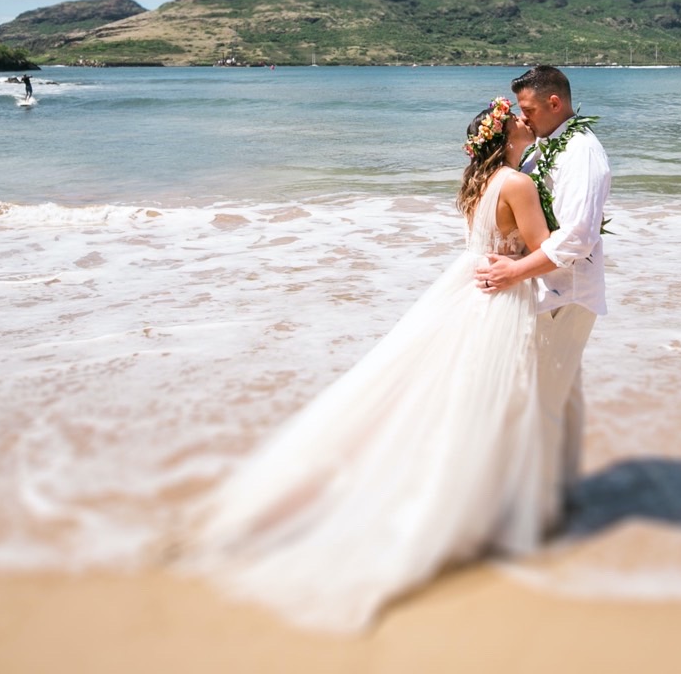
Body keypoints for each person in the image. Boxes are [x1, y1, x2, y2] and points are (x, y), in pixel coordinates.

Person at [185, 97, 562, 632]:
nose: (529, 124)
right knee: (487, 399)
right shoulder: (518, 185)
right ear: (505, 136)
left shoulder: (478, 183)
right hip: (496, 293)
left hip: (461, 288)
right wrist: (555, 253)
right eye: (520, 120)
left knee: (449, 394)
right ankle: (459, 512)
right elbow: (545, 249)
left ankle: (464, 501)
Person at [475, 65, 610, 520]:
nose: (524, 118)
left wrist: (514, 272)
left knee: (544, 398)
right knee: (558, 391)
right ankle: (561, 495)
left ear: (555, 103)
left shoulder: (582, 152)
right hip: (545, 290)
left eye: (529, 109)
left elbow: (576, 239)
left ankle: (536, 512)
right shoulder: (541, 148)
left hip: (564, 294)